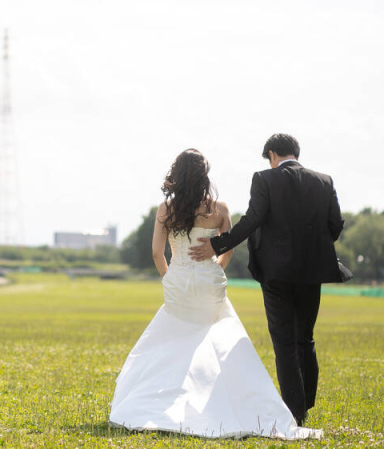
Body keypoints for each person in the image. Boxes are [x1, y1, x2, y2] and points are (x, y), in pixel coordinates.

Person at [109, 149, 321, 439]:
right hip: (210, 282)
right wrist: (215, 270)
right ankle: (226, 404)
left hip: (180, 281)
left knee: (171, 342)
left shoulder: (166, 209)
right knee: (216, 343)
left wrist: (171, 277)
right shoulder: (219, 209)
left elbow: (157, 252)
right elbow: (228, 248)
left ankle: (164, 402)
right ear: (204, 176)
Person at [189, 133, 344, 426]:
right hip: (312, 272)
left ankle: (295, 413)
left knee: (284, 343)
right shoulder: (325, 181)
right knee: (305, 338)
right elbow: (334, 226)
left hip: (276, 273)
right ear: (296, 153)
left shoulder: (264, 179)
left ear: (272, 154)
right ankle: (306, 403)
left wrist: (218, 244)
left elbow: (252, 219)